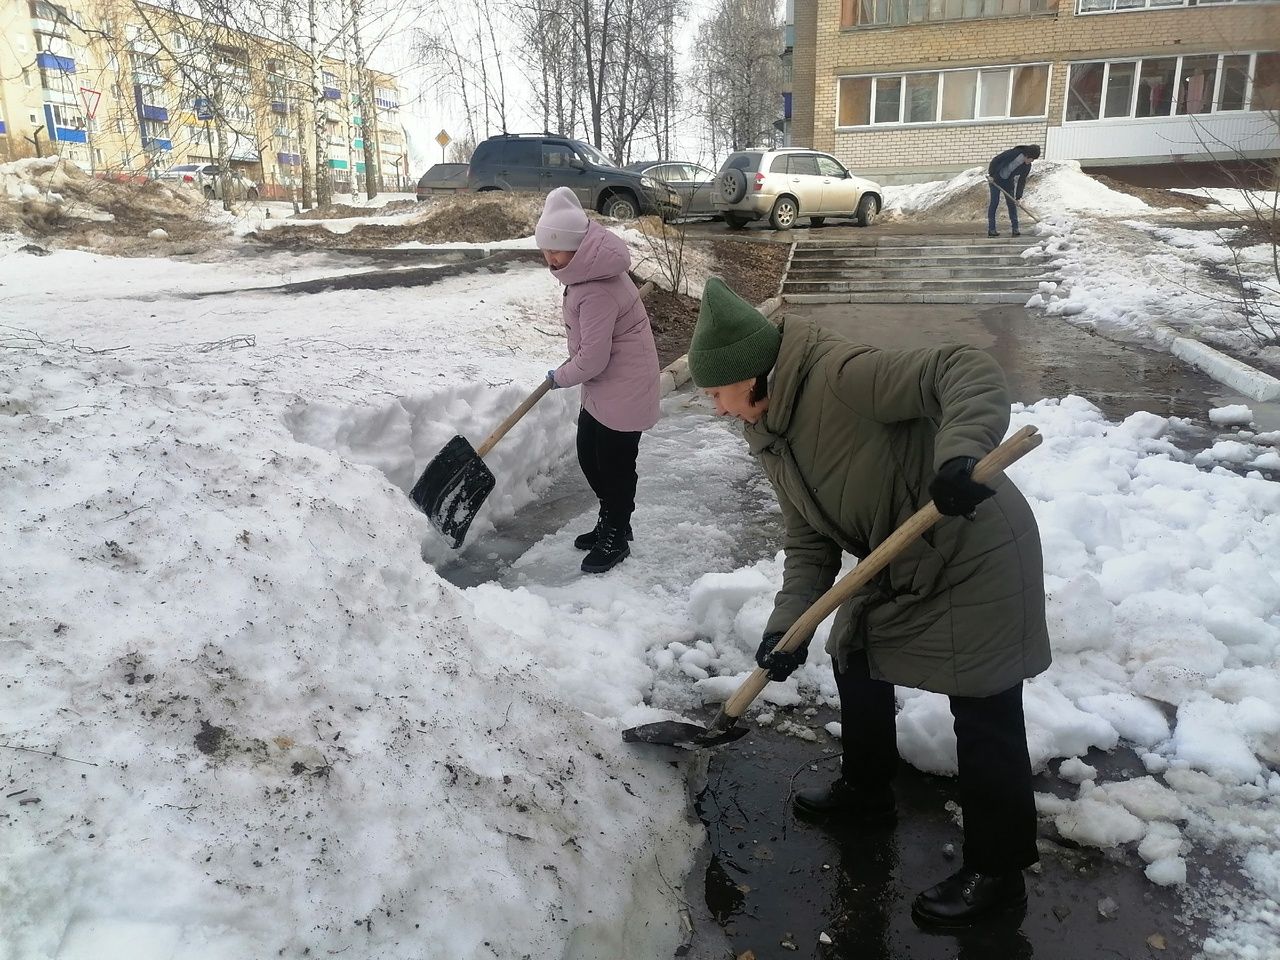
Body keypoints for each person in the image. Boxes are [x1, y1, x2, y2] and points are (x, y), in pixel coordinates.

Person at [686, 277, 1051, 929]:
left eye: (717, 393)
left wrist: (960, 454)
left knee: (984, 709)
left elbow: (961, 368)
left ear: (751, 374)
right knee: (853, 651)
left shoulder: (842, 377)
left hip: (974, 550)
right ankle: (866, 790)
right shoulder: (770, 434)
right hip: (901, 560)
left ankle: (997, 876)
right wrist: (786, 630)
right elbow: (809, 542)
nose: (716, 410)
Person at [536, 186, 660, 574]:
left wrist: (560, 377)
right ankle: (611, 519)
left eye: (556, 250)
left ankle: (617, 532)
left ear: (577, 247)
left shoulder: (596, 289)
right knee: (589, 454)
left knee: (615, 465)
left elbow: (592, 358)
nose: (550, 258)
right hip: (606, 384)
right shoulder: (585, 273)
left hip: (625, 386)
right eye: (546, 250)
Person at [986, 144, 1040, 238]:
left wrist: (1018, 197)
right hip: (995, 179)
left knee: (1012, 204)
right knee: (994, 202)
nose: (1031, 161)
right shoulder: (1014, 153)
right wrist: (991, 174)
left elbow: (1022, 181)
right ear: (1027, 156)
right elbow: (996, 160)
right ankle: (992, 229)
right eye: (1031, 159)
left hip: (1008, 182)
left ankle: (1015, 229)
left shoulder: (1027, 166)